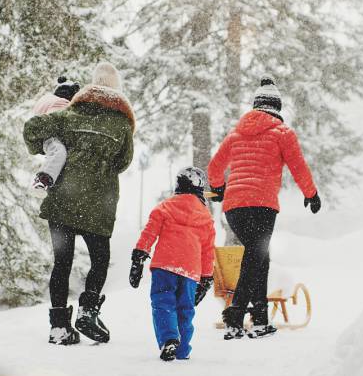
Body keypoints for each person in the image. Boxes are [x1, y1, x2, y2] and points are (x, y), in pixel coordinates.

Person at [23, 62, 134, 345]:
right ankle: (88, 309)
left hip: (63, 200)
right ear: (116, 88)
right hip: (98, 204)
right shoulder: (122, 124)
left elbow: (34, 127)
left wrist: (46, 149)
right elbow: (123, 162)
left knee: (62, 262)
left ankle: (59, 327)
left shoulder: (71, 114)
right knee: (100, 260)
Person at [208, 77, 320, 340]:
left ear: (256, 106)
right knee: (255, 256)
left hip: (234, 208)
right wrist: (311, 194)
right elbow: (298, 165)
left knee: (260, 257)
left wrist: (219, 189)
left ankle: (259, 318)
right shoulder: (283, 133)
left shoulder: (236, 134)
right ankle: (235, 312)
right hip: (262, 205)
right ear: (277, 107)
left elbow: (214, 167)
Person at [129, 167, 216, 361]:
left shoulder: (164, 207)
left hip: (165, 266)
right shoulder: (205, 217)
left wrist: (139, 257)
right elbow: (208, 250)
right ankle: (183, 349)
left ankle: (169, 339)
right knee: (186, 309)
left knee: (163, 303)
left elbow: (149, 233)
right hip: (191, 271)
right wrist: (207, 278)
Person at [29, 76, 80, 195]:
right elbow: (56, 118)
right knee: (59, 152)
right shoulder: (60, 103)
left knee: (58, 155)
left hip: (48, 136)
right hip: (51, 137)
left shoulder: (49, 100)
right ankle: (42, 181)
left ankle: (51, 177)